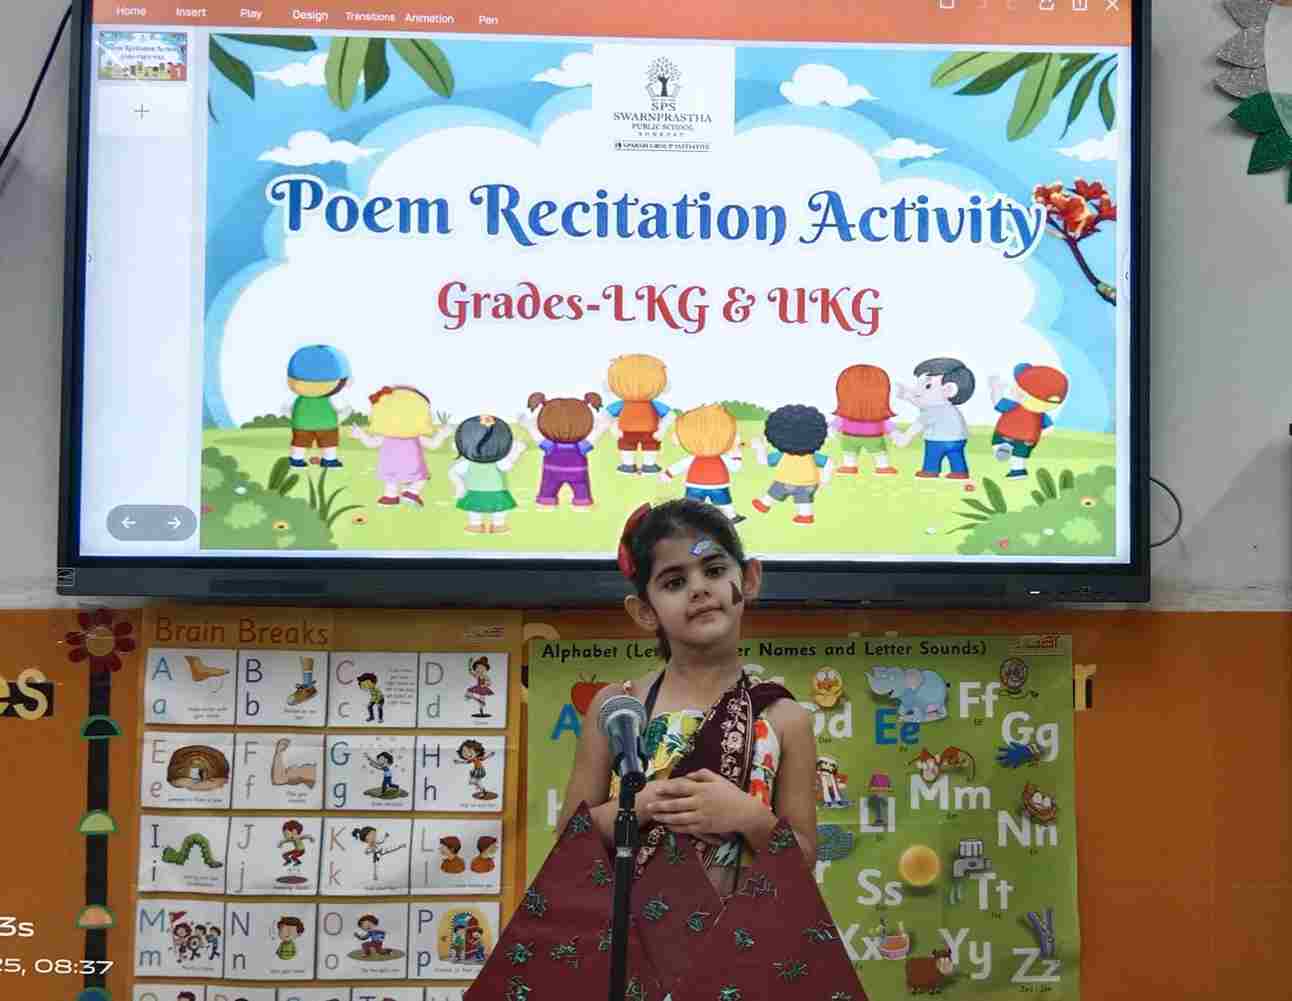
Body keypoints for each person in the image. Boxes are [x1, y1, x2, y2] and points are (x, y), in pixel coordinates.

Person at [467, 499, 865, 1001]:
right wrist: (636, 808)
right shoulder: (618, 708)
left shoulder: (785, 718)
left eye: (715, 570)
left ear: (749, 579)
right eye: (674, 582)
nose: (699, 588)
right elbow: (571, 836)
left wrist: (746, 816)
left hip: (741, 961)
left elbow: (803, 859)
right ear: (644, 611)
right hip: (635, 958)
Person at [348, 385, 453, 506]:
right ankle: (412, 492)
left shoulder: (386, 436)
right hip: (413, 467)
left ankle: (390, 496)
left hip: (390, 467)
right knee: (421, 478)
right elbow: (433, 445)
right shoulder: (416, 437)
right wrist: (442, 435)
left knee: (391, 482)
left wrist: (361, 435)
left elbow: (371, 443)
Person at [892, 357, 976, 480]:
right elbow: (923, 403)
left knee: (932, 456)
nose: (917, 391)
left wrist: (906, 437)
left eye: (927, 386)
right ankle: (960, 472)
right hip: (958, 440)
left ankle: (930, 470)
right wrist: (907, 396)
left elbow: (919, 423)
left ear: (948, 389)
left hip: (937, 440)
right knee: (956, 456)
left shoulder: (934, 410)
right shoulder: (948, 408)